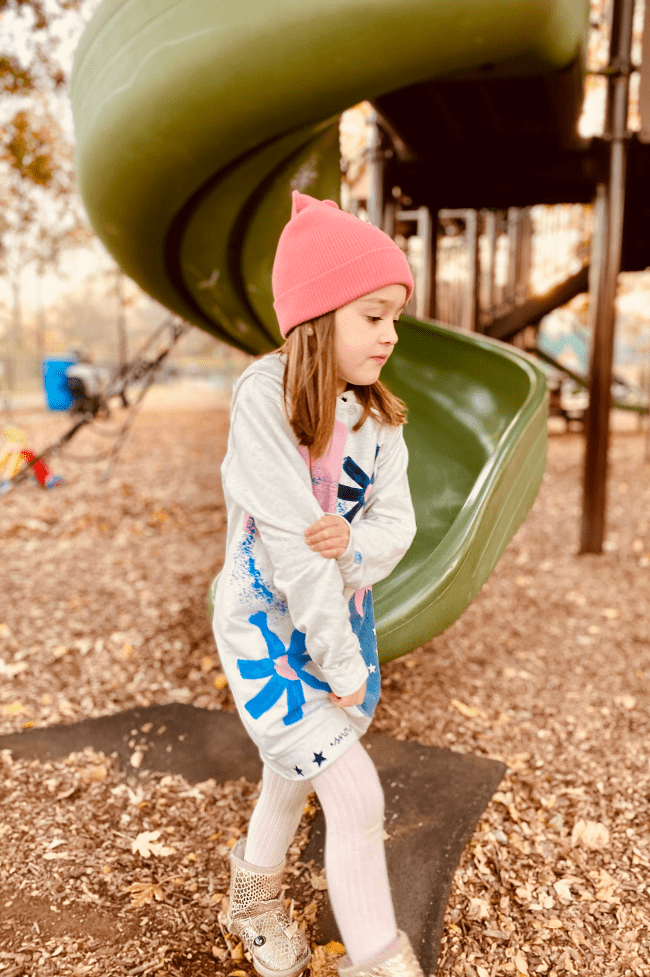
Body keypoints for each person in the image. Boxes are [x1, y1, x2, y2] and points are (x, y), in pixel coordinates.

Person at [212, 191, 422, 977]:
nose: (392, 333)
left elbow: (394, 525)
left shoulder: (380, 420)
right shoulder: (264, 397)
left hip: (337, 622)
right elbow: (295, 555)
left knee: (294, 767)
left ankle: (252, 894)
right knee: (354, 792)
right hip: (269, 632)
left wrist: (354, 552)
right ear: (319, 312)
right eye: (374, 314)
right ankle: (378, 962)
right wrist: (339, 660)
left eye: (395, 315)